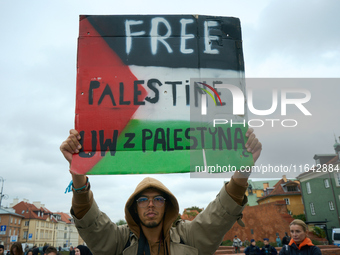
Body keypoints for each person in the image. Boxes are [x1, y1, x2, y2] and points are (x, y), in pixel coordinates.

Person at [60, 128, 262, 255]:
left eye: (158, 199)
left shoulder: (188, 237)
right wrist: (78, 170)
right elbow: (90, 222)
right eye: (142, 200)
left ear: (168, 205)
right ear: (133, 206)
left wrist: (243, 171)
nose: (150, 204)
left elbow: (219, 215)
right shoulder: (118, 242)